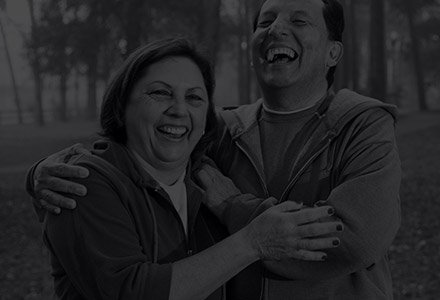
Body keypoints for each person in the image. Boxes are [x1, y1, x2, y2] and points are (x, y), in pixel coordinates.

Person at [27, 0, 401, 299]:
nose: (276, 29)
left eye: (300, 21)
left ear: (334, 53)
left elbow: (353, 239)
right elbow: (139, 148)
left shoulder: (362, 123)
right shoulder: (219, 130)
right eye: (265, 20)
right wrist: (41, 171)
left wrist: (233, 207)